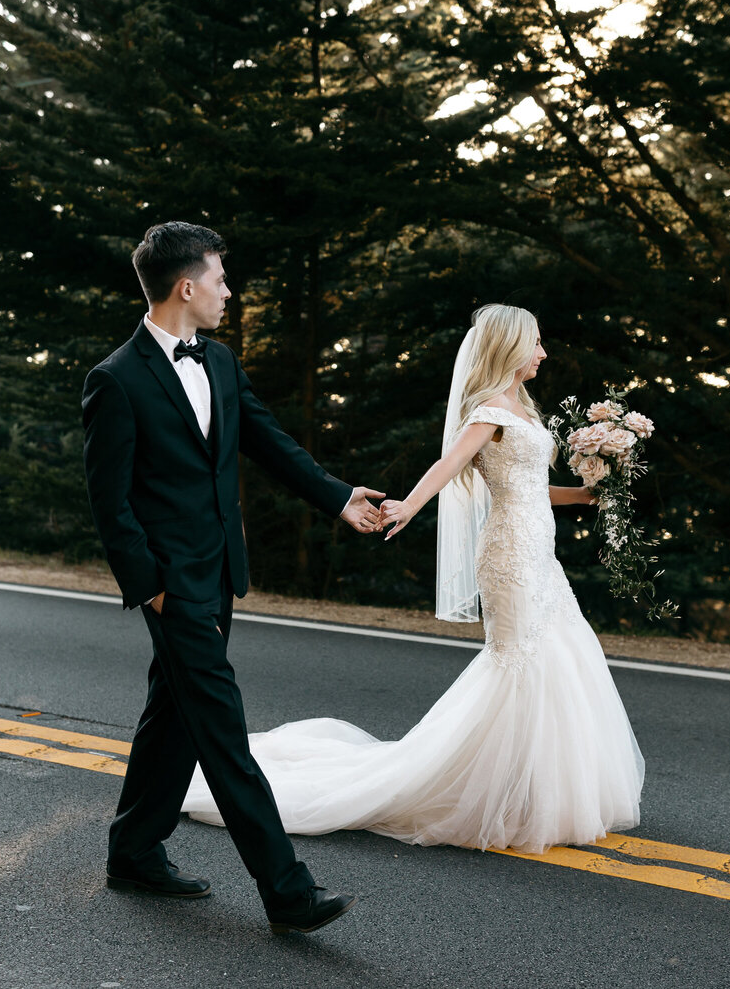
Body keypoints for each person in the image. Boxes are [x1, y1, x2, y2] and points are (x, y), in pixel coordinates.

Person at [181, 303, 645, 852]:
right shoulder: (487, 411)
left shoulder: (522, 407)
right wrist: (408, 505)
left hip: (540, 553)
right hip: (509, 556)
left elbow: (529, 490)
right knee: (519, 663)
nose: (544, 353)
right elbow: (447, 467)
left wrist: (589, 495)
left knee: (559, 656)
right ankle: (487, 791)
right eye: (536, 343)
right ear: (509, 346)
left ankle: (534, 788)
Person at [80, 221, 386, 934]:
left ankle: (132, 848)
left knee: (175, 710)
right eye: (220, 278)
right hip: (172, 584)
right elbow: (110, 501)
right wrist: (150, 585)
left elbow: (268, 440)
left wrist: (339, 496)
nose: (228, 290)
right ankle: (287, 890)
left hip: (219, 574)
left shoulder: (218, 362)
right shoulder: (116, 379)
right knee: (222, 729)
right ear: (186, 286)